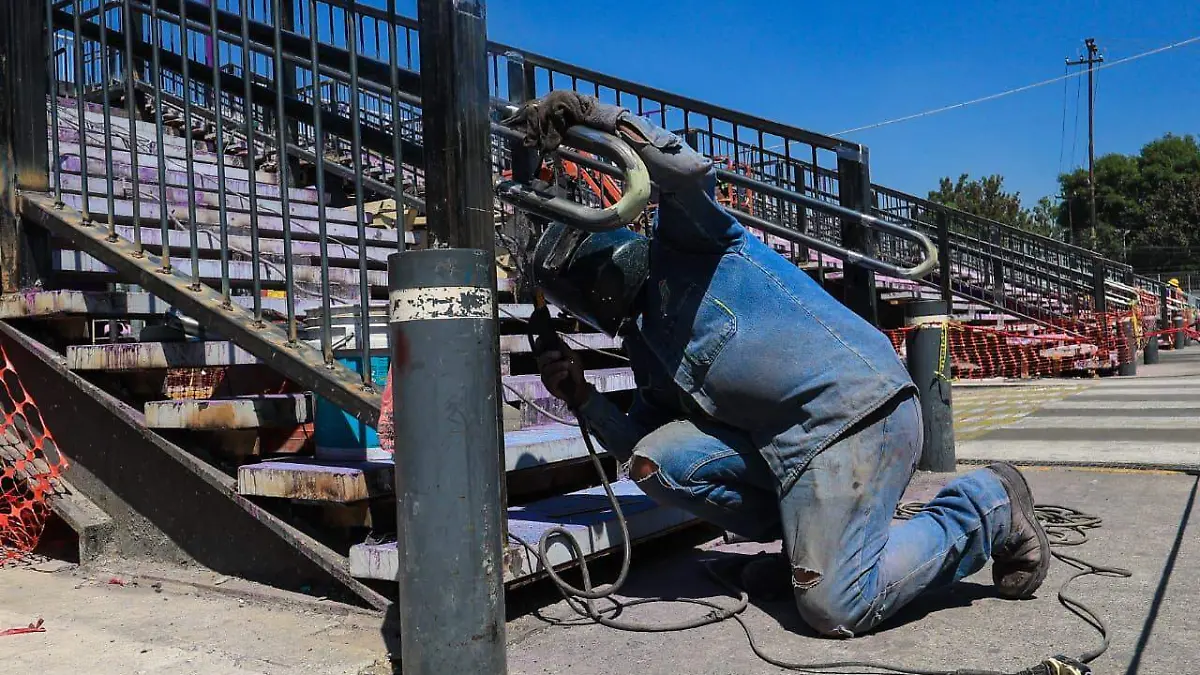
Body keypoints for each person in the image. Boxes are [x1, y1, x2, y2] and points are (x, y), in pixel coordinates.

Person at [502, 91, 1051, 638]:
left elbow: (687, 173)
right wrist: (582, 397)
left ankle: (987, 505)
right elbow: (642, 452)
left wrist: (591, 116)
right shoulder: (646, 352)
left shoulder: (693, 244)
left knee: (835, 608)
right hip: (790, 450)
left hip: (856, 416)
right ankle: (806, 551)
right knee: (657, 459)